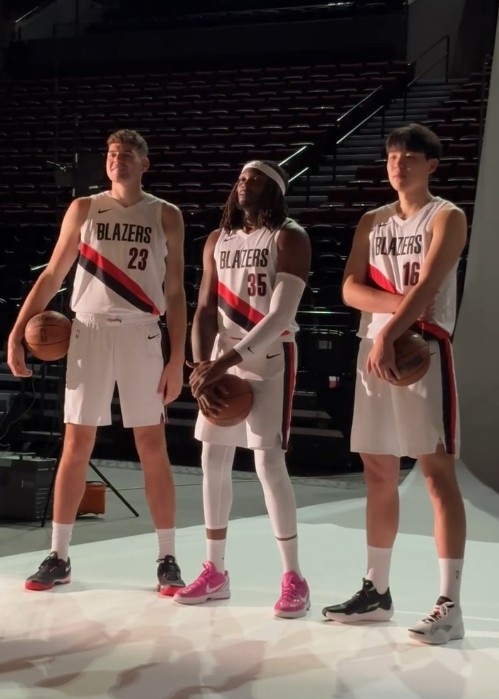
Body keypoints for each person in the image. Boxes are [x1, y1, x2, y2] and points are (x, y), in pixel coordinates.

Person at [7, 129, 187, 596]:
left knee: (152, 445)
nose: (116, 159)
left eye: (126, 153)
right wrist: (17, 330)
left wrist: (178, 357)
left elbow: (175, 291)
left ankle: (167, 558)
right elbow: (53, 274)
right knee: (75, 444)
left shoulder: (165, 213)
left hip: (142, 331)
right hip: (88, 330)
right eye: (111, 153)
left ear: (145, 163)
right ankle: (59, 554)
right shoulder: (84, 208)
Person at [322, 123, 467, 645]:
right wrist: (386, 322)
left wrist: (390, 331)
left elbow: (429, 286)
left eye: (409, 157)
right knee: (378, 471)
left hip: (421, 351)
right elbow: (348, 288)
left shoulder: (447, 216)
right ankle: (376, 591)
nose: (398, 165)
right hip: (376, 350)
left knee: (436, 473)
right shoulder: (372, 220)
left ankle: (450, 604)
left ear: (432, 165)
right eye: (392, 157)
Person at [173, 159, 312, 618]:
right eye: (240, 178)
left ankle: (294, 577)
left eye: (254, 179)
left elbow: (281, 315)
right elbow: (204, 308)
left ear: (274, 190)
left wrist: (221, 364)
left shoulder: (289, 237)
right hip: (221, 357)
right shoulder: (218, 239)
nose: (243, 184)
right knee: (212, 460)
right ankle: (214, 570)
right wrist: (200, 366)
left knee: (269, 463)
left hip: (270, 358)